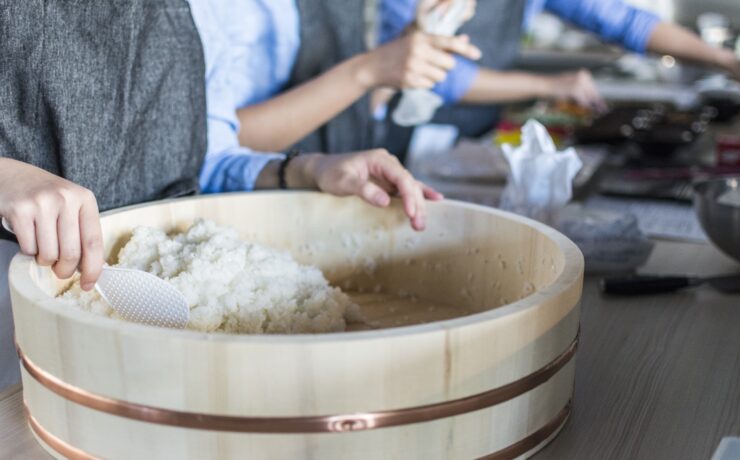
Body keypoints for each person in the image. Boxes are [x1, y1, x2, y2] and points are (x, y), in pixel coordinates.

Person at [0, 0, 445, 391]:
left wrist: (305, 168)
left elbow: (204, 153)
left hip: (143, 326)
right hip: (20, 306)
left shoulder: (200, 12)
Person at [189, 0, 480, 216]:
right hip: (252, 210)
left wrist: (410, 47)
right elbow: (207, 145)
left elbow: (359, 106)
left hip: (333, 197)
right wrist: (368, 70)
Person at [381, 0, 740, 145]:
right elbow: (442, 76)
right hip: (407, 135)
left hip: (478, 133)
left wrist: (724, 61)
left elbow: (624, 22)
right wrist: (550, 83)